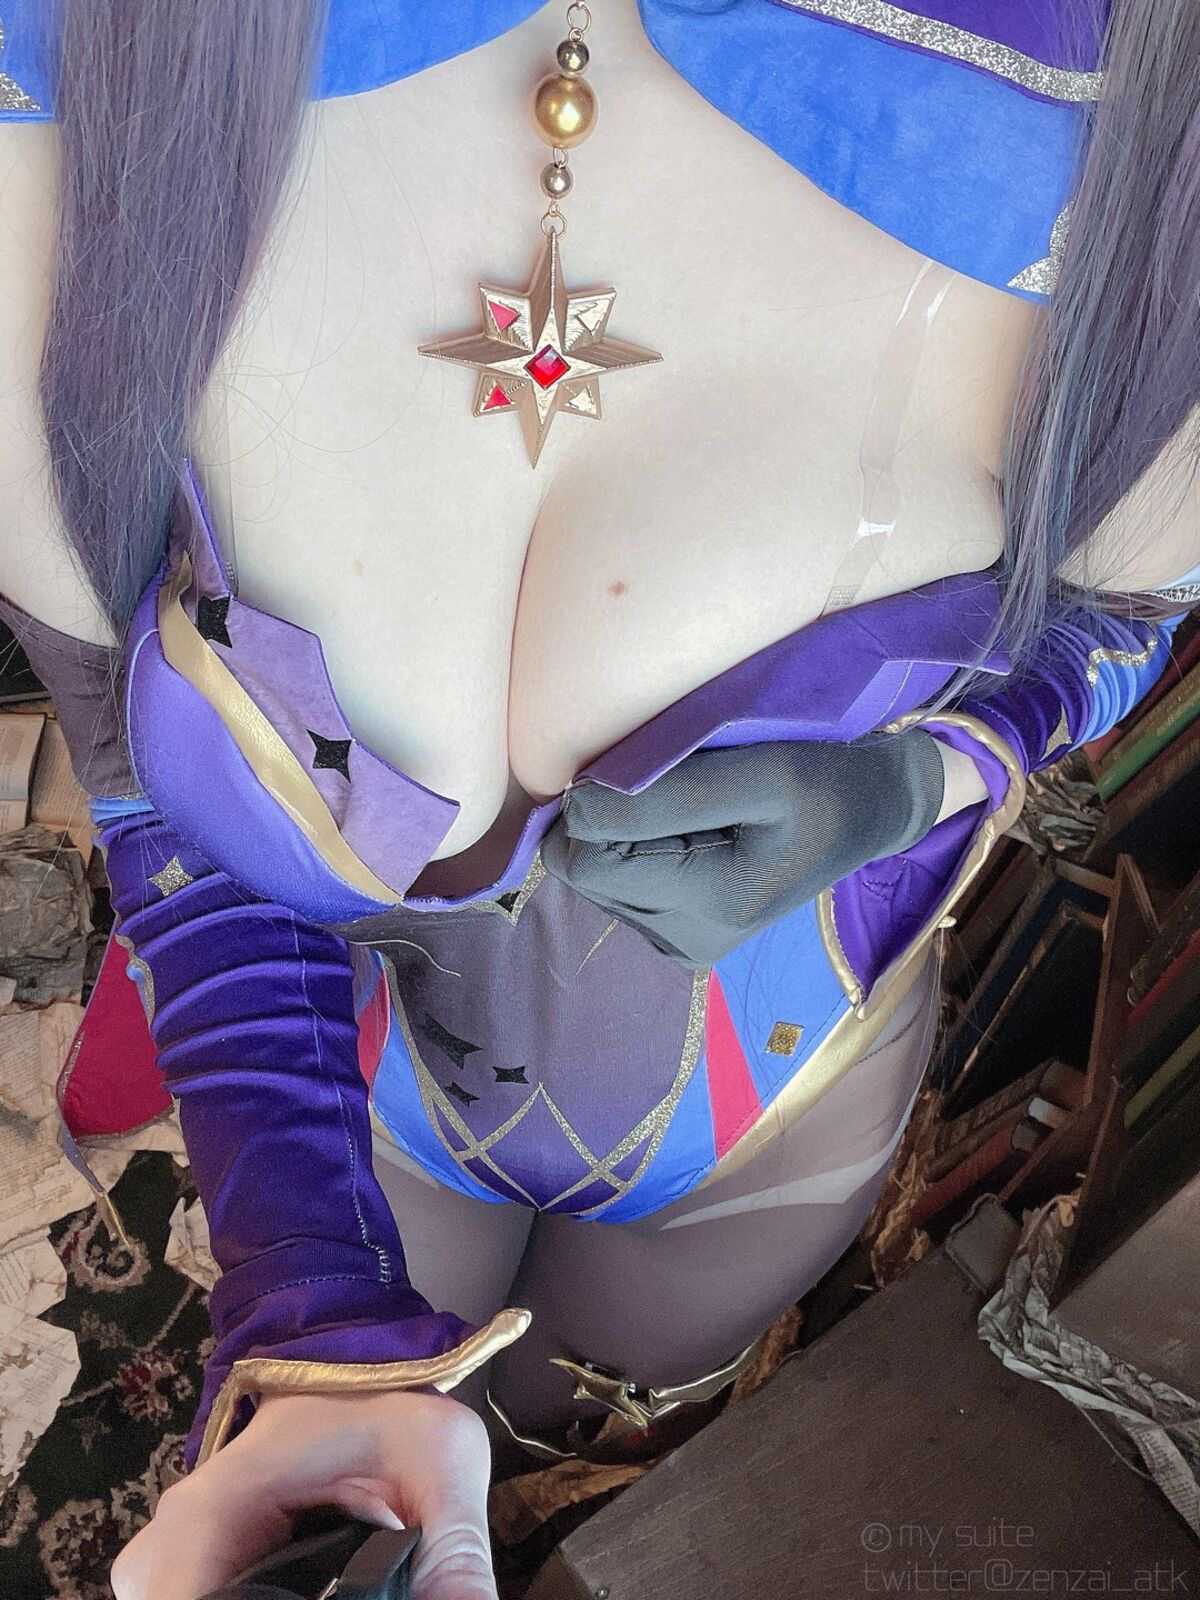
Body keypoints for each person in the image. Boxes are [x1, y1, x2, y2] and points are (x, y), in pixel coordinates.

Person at [0, 3, 1195, 1597]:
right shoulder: (68, 87)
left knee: (590, 1438)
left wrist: (926, 773)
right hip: (374, 1099)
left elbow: (1126, 614)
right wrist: (309, 1298)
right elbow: (154, 795)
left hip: (764, 1132)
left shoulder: (1145, 101)